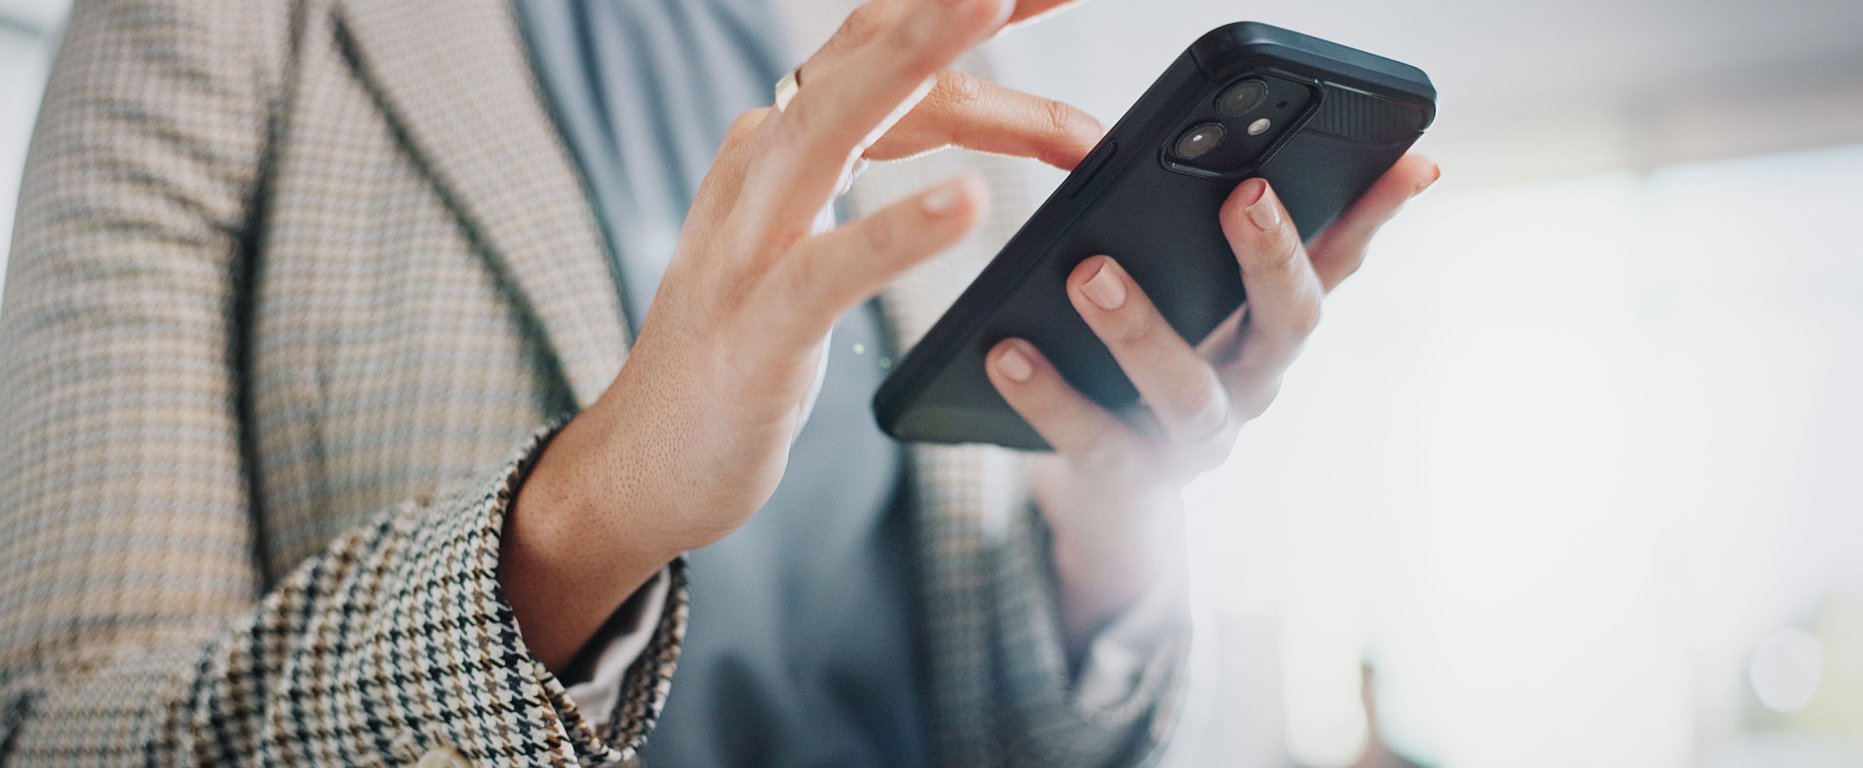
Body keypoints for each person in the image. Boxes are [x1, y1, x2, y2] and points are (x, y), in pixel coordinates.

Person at [0, 0, 1437, 764]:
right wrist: (587, 517)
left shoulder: (926, 39)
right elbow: (59, 735)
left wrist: (1108, 528)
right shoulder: (209, 22)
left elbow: (1009, 734)